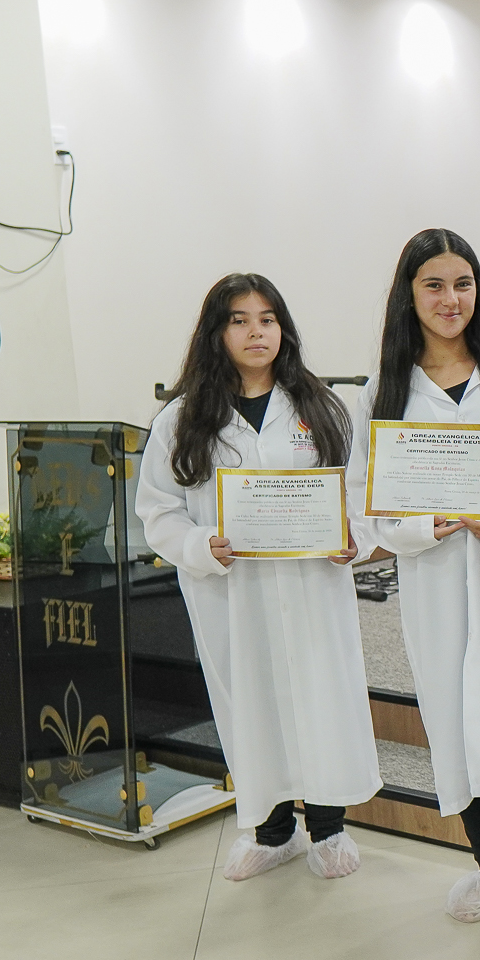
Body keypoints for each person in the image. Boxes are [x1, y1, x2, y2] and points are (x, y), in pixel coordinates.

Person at [345, 229, 480, 927]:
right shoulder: (385, 389)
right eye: (433, 285)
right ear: (408, 296)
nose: (450, 299)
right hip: (434, 579)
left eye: (462, 284)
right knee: (450, 715)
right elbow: (364, 498)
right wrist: (419, 527)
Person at [137, 273, 380, 881]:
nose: (256, 332)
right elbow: (158, 511)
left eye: (267, 319)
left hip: (311, 587)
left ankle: (328, 829)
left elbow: (358, 492)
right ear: (216, 332)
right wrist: (200, 545)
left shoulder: (322, 407)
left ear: (283, 330)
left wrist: (354, 537)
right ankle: (272, 834)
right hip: (232, 593)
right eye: (240, 320)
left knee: (320, 702)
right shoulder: (181, 420)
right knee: (251, 707)